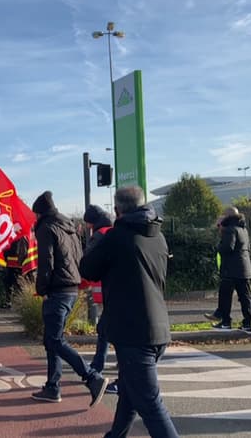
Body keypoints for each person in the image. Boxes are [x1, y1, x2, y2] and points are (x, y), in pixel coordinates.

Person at [80, 186, 179, 438]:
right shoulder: (158, 236)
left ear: (117, 210)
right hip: (157, 328)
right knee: (128, 391)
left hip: (133, 332)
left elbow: (88, 269)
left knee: (150, 405)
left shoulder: (117, 236)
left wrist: (96, 241)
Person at [30, 191, 107, 407]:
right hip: (72, 288)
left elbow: (46, 261)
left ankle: (92, 377)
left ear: (40, 213)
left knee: (54, 340)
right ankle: (52, 387)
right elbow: (78, 257)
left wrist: (42, 288)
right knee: (51, 340)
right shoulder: (70, 227)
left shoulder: (46, 228)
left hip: (57, 290)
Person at [82, 205, 118, 395]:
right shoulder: (114, 231)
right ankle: (100, 364)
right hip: (116, 289)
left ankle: (98, 366)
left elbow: (90, 263)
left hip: (106, 289)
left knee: (106, 329)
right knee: (107, 328)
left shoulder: (99, 236)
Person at [211, 207, 251, 333]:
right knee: (245, 296)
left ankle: (226, 322)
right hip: (244, 268)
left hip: (230, 269)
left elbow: (227, 248)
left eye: (224, 215)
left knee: (225, 297)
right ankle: (248, 323)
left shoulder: (229, 230)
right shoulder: (243, 229)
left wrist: (218, 247)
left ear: (228, 217)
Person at [0, 236, 28, 309]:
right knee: (8, 283)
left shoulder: (22, 236)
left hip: (17, 264)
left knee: (18, 284)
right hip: (10, 263)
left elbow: (23, 251)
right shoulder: (10, 234)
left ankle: (21, 303)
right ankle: (9, 301)